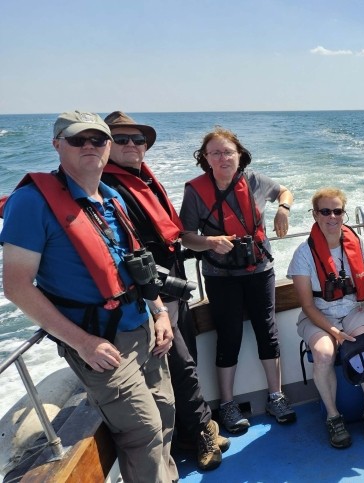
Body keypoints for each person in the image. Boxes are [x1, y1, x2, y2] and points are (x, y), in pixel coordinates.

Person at [0, 111, 177, 482]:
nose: (90, 147)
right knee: (142, 433)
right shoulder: (31, 203)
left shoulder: (112, 198)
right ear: (57, 145)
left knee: (164, 415)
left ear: (107, 147)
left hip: (144, 328)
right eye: (78, 139)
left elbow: (135, 266)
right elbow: (16, 286)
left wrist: (159, 311)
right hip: (102, 343)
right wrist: (82, 343)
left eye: (97, 140)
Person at [102, 111, 230, 470]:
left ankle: (196, 429)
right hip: (146, 295)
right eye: (121, 139)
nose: (131, 145)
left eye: (137, 139)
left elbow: (169, 233)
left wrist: (205, 243)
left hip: (171, 284)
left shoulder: (140, 180)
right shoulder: (103, 188)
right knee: (179, 362)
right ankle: (200, 430)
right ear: (107, 145)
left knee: (183, 361)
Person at [180, 127, 296, 432]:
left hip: (260, 271)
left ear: (239, 155)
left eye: (228, 152)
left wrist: (283, 208)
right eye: (215, 153)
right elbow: (186, 237)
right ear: (205, 159)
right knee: (228, 336)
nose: (222, 158)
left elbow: (285, 191)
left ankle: (276, 396)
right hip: (221, 276)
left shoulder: (255, 181)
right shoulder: (194, 191)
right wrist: (210, 242)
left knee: (267, 332)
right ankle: (228, 406)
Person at [287, 187, 364, 448]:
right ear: (315, 215)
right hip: (319, 315)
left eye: (337, 211)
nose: (332, 217)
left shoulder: (358, 243)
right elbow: (307, 305)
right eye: (325, 211)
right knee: (323, 354)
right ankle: (334, 416)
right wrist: (334, 331)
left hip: (354, 309)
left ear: (344, 213)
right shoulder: (303, 253)